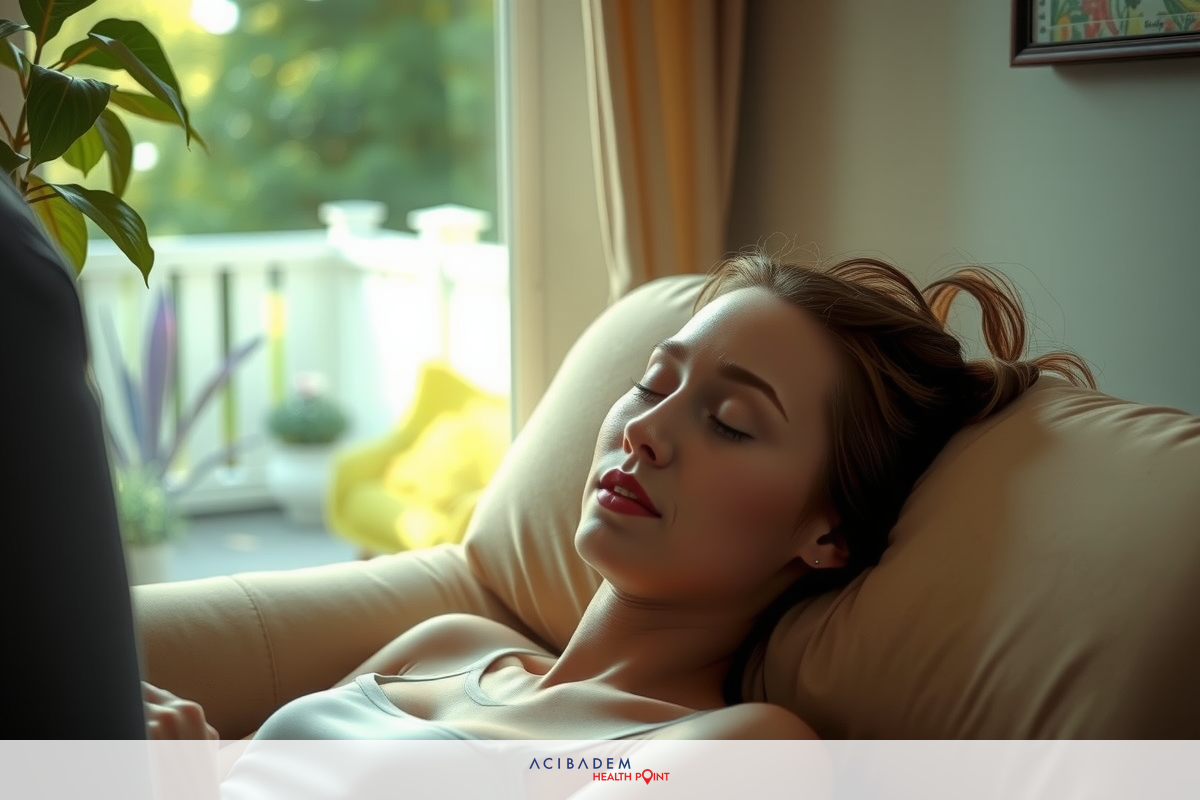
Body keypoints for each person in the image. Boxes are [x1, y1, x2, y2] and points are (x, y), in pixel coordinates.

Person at [145, 250, 1094, 752]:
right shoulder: (446, 644)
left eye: (730, 422)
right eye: (652, 384)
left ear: (828, 531)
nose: (645, 430)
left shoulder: (740, 750)